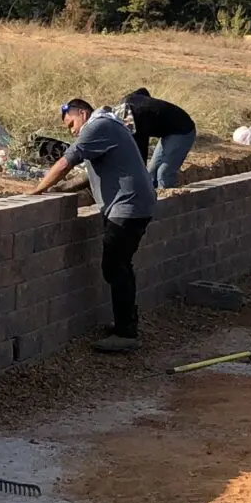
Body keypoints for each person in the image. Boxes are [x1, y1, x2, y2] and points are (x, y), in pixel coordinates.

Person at [30, 97, 157, 352]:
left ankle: (126, 333)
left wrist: (36, 191)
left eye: (71, 124)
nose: (73, 131)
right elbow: (91, 175)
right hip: (134, 205)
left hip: (128, 207)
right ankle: (126, 325)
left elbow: (67, 161)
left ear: (82, 113)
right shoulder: (109, 126)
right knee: (121, 265)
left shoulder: (97, 126)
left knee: (114, 266)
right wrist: (59, 188)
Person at [123, 86, 197, 191]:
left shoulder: (137, 125)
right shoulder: (125, 102)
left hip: (183, 131)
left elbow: (140, 156)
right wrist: (153, 108)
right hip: (168, 132)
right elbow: (143, 91)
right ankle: (151, 200)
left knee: (164, 174)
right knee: (151, 172)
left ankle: (170, 204)